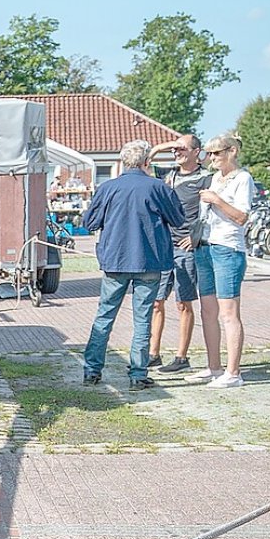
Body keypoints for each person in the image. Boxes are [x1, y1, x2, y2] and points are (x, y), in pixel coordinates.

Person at [80, 140, 183, 391]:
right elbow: (178, 219)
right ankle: (138, 373)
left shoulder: (108, 188)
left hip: (115, 259)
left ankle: (92, 370)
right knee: (142, 318)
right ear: (147, 162)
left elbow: (90, 222)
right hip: (149, 260)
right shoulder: (158, 187)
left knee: (104, 316)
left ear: (123, 161)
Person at [186, 133, 254, 388]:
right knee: (208, 311)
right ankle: (214, 367)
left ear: (232, 151)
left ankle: (233, 372)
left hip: (228, 248)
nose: (212, 158)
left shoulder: (243, 178)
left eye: (217, 153)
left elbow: (241, 217)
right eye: (210, 153)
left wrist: (216, 200)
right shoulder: (216, 177)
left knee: (229, 313)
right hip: (206, 246)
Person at [147, 135, 211, 374]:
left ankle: (181, 357)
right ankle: (153, 354)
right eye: (175, 149)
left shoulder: (205, 178)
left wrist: (194, 238)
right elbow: (143, 162)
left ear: (197, 152)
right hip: (165, 247)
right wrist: (162, 146)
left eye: (183, 149)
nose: (177, 153)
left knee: (183, 303)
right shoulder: (168, 174)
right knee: (156, 302)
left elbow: (209, 213)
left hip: (186, 248)